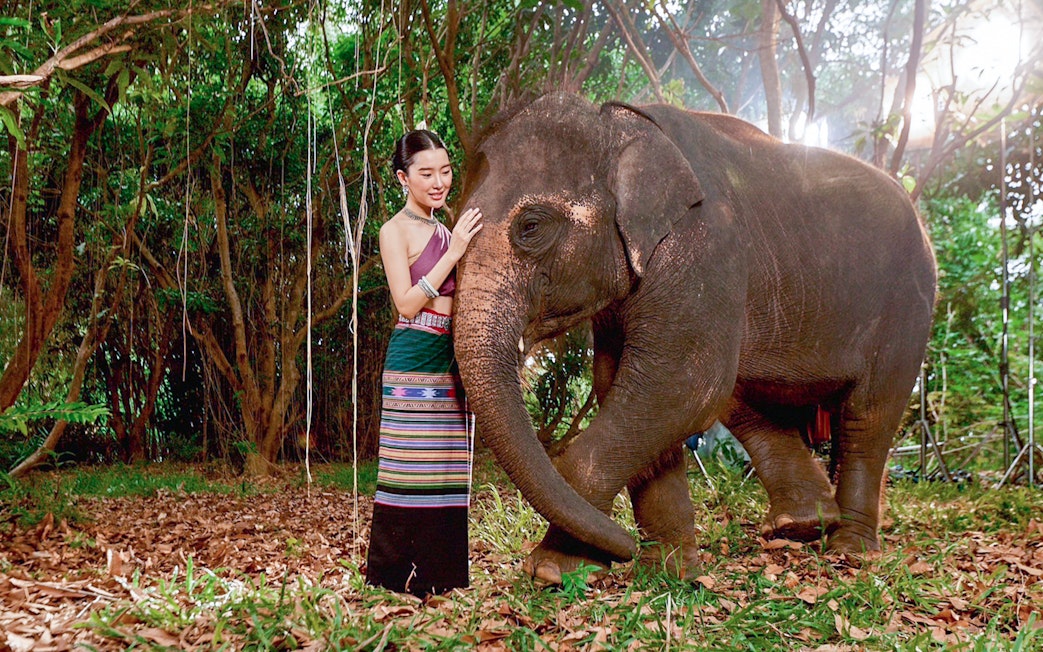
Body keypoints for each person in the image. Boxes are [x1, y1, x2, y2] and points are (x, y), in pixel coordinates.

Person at [365, 129, 483, 596]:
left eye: (446, 171)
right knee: (407, 467)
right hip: (413, 357)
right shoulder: (393, 231)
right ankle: (392, 576)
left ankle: (442, 578)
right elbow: (407, 302)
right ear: (403, 177)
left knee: (447, 469)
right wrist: (453, 252)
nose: (438, 182)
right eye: (426, 173)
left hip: (450, 359)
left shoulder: (445, 224)